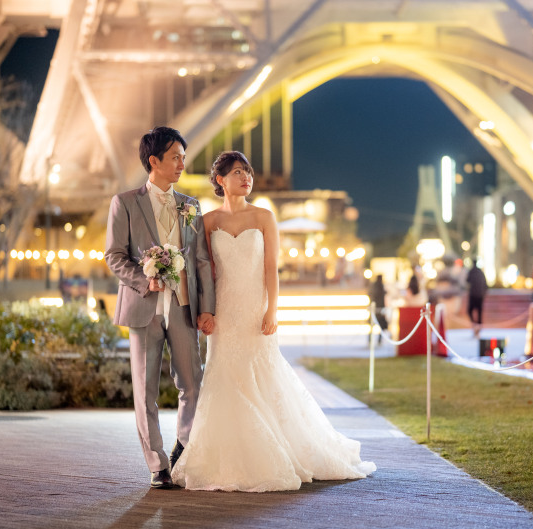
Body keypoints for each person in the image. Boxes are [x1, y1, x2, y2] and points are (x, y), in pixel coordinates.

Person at [171, 151, 375, 491]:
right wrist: (205, 311)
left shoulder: (264, 217)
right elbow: (204, 272)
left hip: (254, 307)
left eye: (248, 171)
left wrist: (272, 310)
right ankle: (229, 456)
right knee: (224, 374)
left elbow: (270, 268)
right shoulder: (207, 222)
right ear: (220, 180)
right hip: (223, 310)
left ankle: (281, 447)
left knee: (261, 370)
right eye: (237, 172)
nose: (246, 177)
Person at [105, 126, 215, 490]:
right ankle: (157, 465)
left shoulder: (191, 205)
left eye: (183, 156)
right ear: (154, 161)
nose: (182, 163)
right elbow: (114, 256)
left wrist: (207, 308)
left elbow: (201, 261)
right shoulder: (125, 202)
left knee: (192, 384)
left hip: (184, 308)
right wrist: (143, 278)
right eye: (175, 157)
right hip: (143, 307)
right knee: (145, 390)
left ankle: (182, 447)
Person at [466, 259, 487, 337]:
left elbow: (467, 281)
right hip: (480, 295)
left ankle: (476, 326)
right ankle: (477, 326)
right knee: (479, 312)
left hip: (474, 295)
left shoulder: (471, 271)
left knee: (470, 311)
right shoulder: (480, 272)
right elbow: (485, 284)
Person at [368, 275, 388, 345]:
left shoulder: (374, 286)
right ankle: (378, 340)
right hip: (378, 309)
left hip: (375, 309)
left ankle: (371, 340)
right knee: (380, 326)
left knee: (372, 326)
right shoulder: (380, 286)